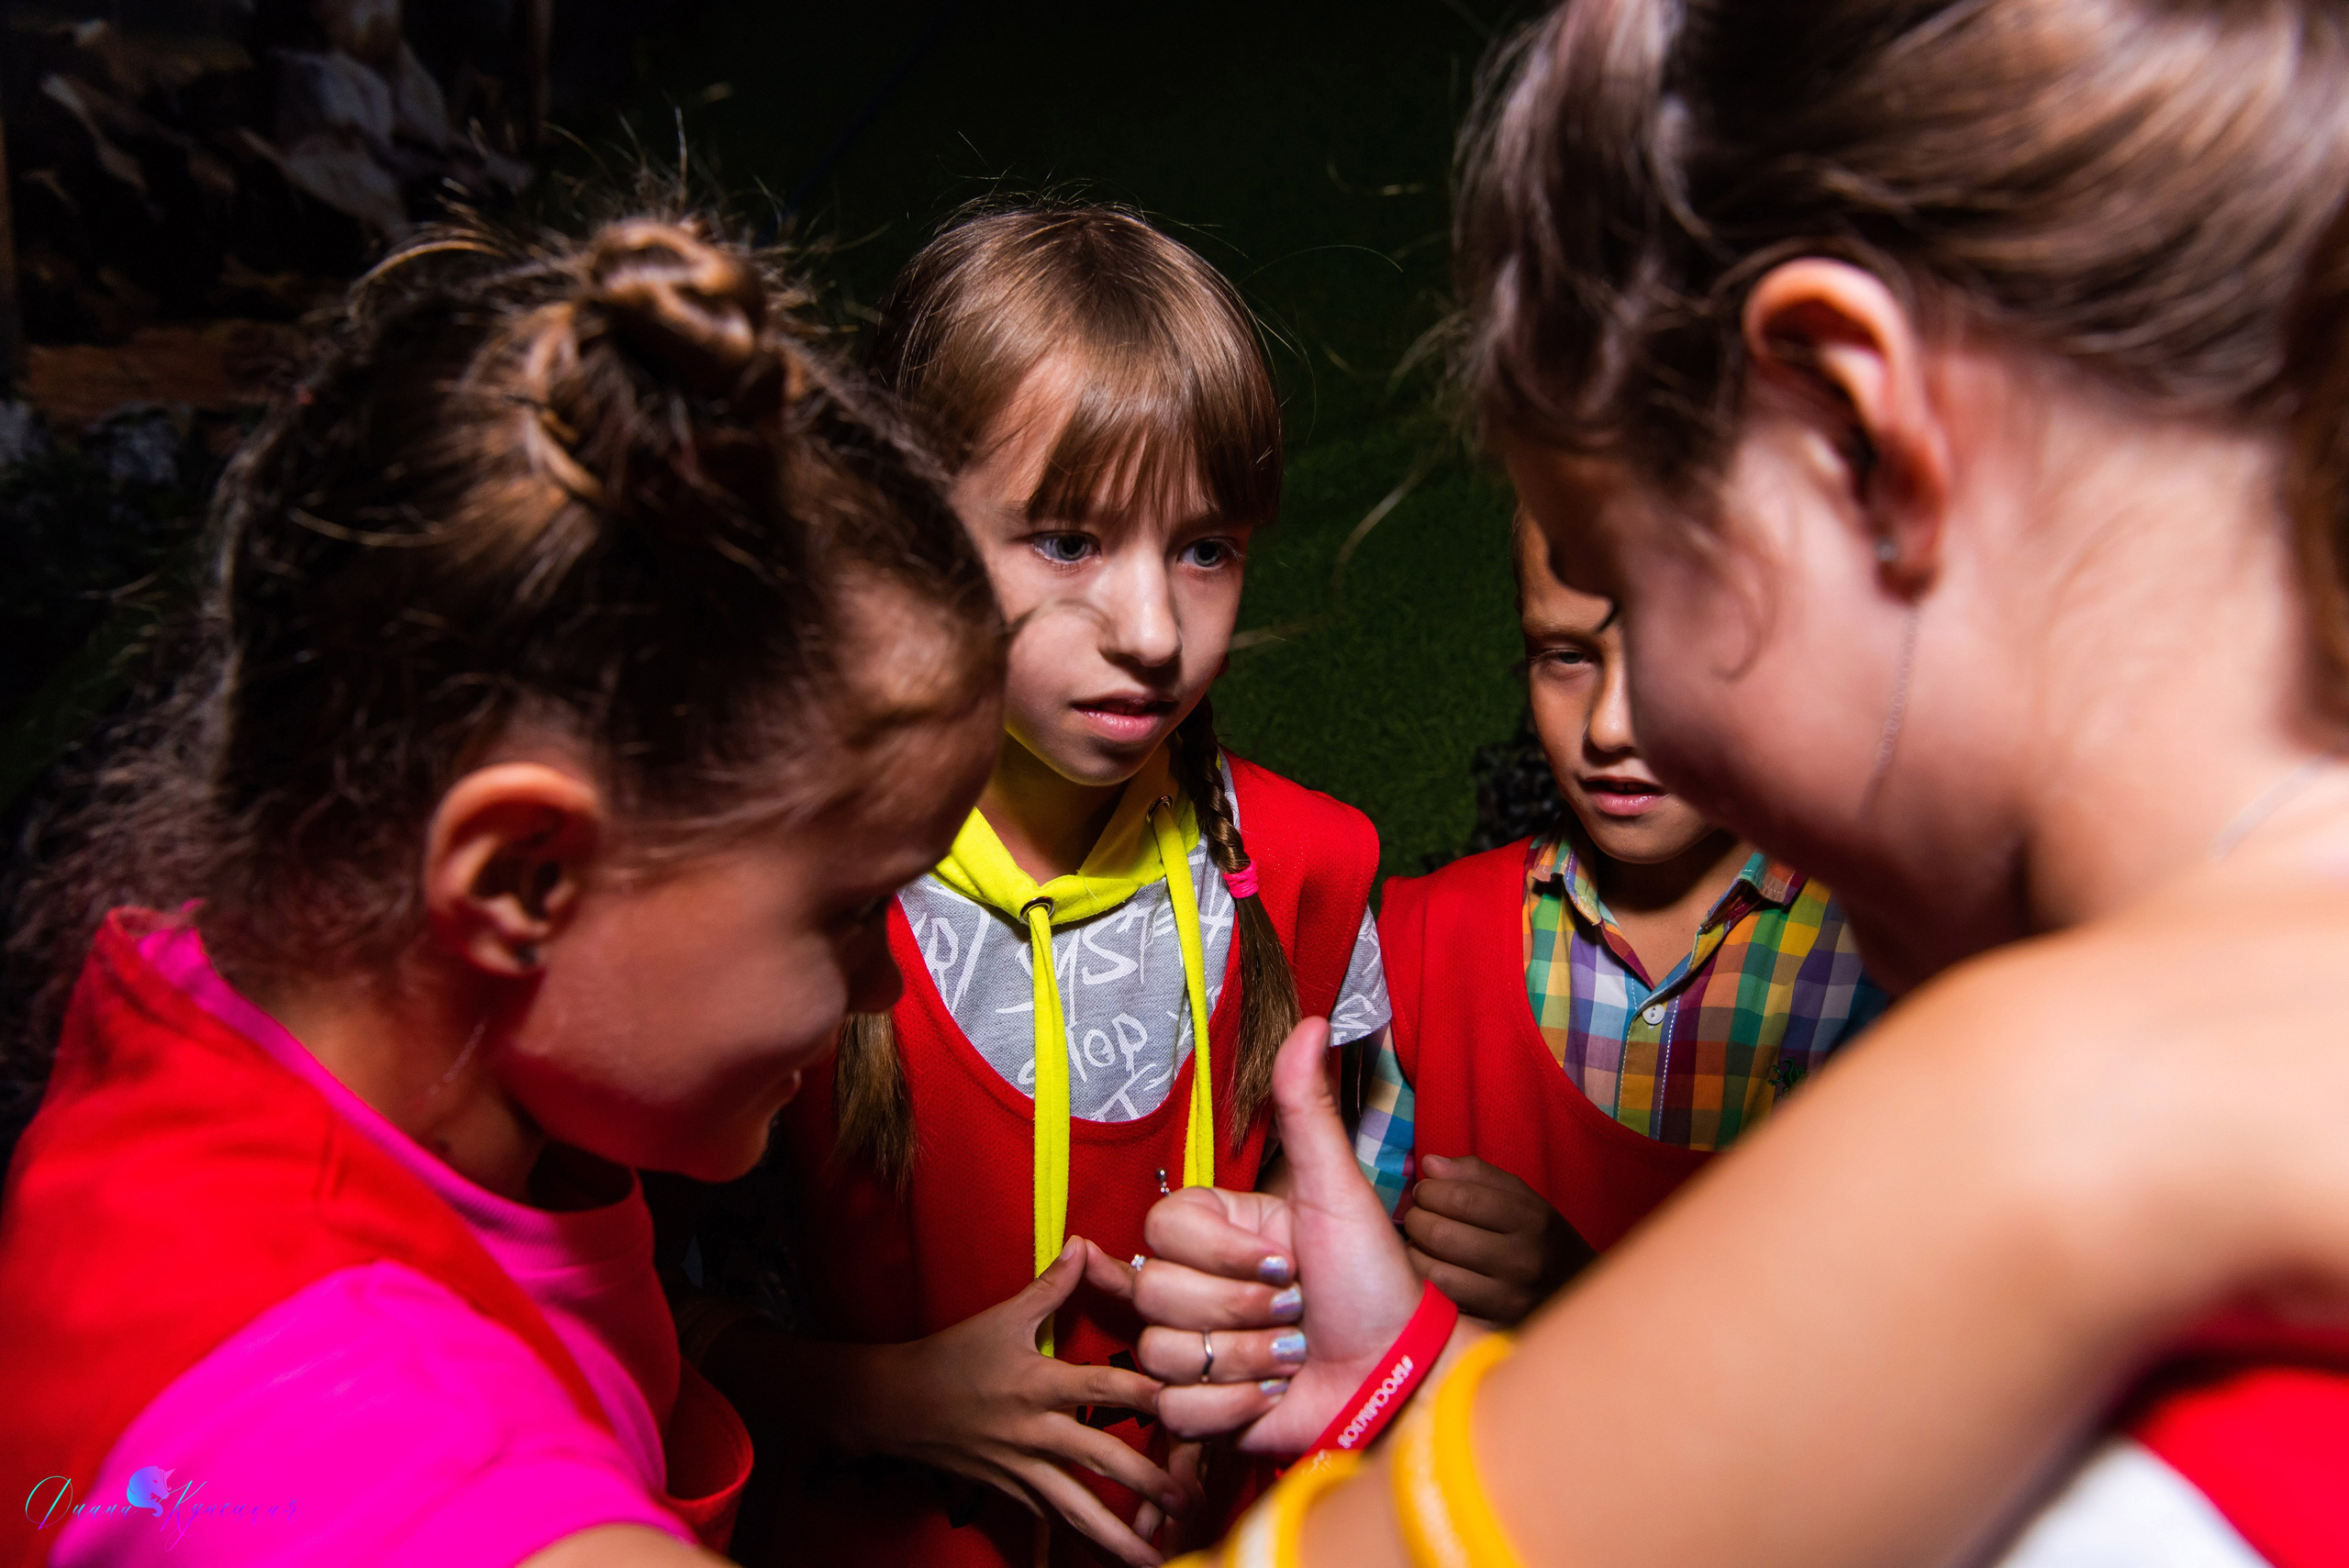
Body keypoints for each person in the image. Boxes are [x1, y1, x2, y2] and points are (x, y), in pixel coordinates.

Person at [1120, 2, 2349, 1564]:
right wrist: (1420, 1389)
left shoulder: (2054, 1131)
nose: (1650, 728)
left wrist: (2022, 1113)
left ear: (1848, 426)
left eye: (1637, 567)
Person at [0, 214, 1007, 1568]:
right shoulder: (358, 1454)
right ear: (524, 877)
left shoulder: (260, 970)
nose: (889, 980)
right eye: (847, 910)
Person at [677, 205, 1388, 1568]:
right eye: (1065, 540)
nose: (1150, 633)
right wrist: (877, 1396)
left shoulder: (1312, 868)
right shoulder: (794, 900)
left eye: (1205, 546)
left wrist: (1284, 1301)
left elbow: (1367, 1233)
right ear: (904, 529)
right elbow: (640, 1303)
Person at [1357, 510, 1886, 1323]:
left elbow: (1885, 1369)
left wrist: (1583, 1296)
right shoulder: (1423, 940)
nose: (1610, 725)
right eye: (1566, 656)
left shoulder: (1881, 970)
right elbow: (1344, 1304)